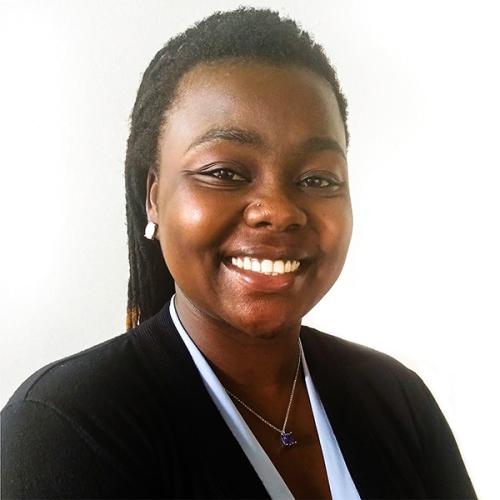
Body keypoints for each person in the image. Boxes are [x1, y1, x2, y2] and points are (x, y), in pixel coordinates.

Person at [1, 8, 476, 499]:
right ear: (153, 197)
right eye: (224, 172)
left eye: (317, 179)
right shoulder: (66, 429)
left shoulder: (397, 398)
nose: (279, 211)